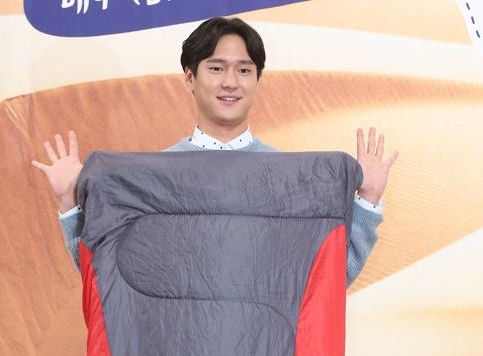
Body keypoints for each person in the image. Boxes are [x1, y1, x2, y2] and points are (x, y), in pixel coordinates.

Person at [31, 16, 398, 285]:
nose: (230, 82)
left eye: (244, 70)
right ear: (190, 77)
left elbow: (324, 283)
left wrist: (367, 201)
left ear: (257, 80)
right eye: (216, 68)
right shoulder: (153, 177)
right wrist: (70, 204)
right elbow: (111, 279)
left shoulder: (287, 177)